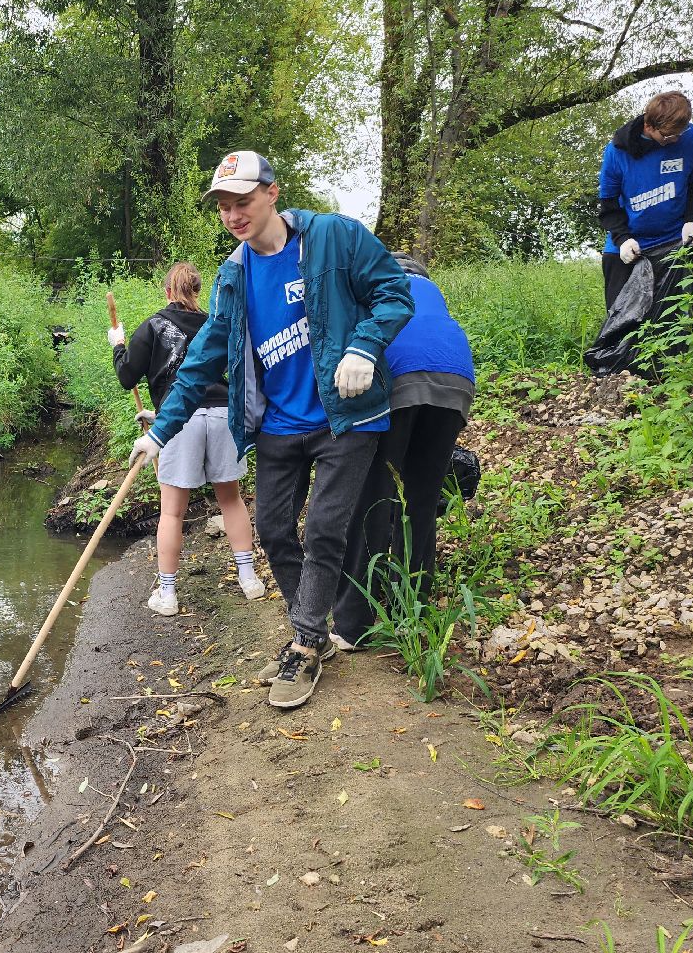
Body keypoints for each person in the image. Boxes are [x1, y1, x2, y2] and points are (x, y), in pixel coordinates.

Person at [130, 150, 413, 709]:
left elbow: (394, 293)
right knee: (275, 530)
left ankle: (305, 645)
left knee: (327, 528)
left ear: (271, 193)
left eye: (243, 200)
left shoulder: (334, 237)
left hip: (345, 417)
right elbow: (204, 358)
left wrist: (364, 344)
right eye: (224, 206)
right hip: (278, 424)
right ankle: (308, 631)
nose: (234, 214)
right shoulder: (233, 276)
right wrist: (161, 431)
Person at [331, 252, 475, 649]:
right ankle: (412, 613)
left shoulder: (376, 285)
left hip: (398, 374)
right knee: (421, 501)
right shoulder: (434, 293)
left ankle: (353, 625)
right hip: (456, 379)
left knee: (373, 497)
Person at [109, 262, 266, 616]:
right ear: (197, 290)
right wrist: (155, 415)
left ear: (167, 292)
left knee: (173, 511)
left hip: (181, 420)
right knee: (231, 499)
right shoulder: (215, 323)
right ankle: (249, 578)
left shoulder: (153, 325)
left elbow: (126, 375)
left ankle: (167, 595)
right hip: (223, 413)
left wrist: (118, 345)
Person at [597, 91, 693, 313]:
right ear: (649, 126)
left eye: (681, 133)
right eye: (669, 137)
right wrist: (623, 239)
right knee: (621, 314)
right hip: (632, 241)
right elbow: (608, 204)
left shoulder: (692, 137)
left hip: (678, 235)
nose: (676, 140)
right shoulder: (617, 152)